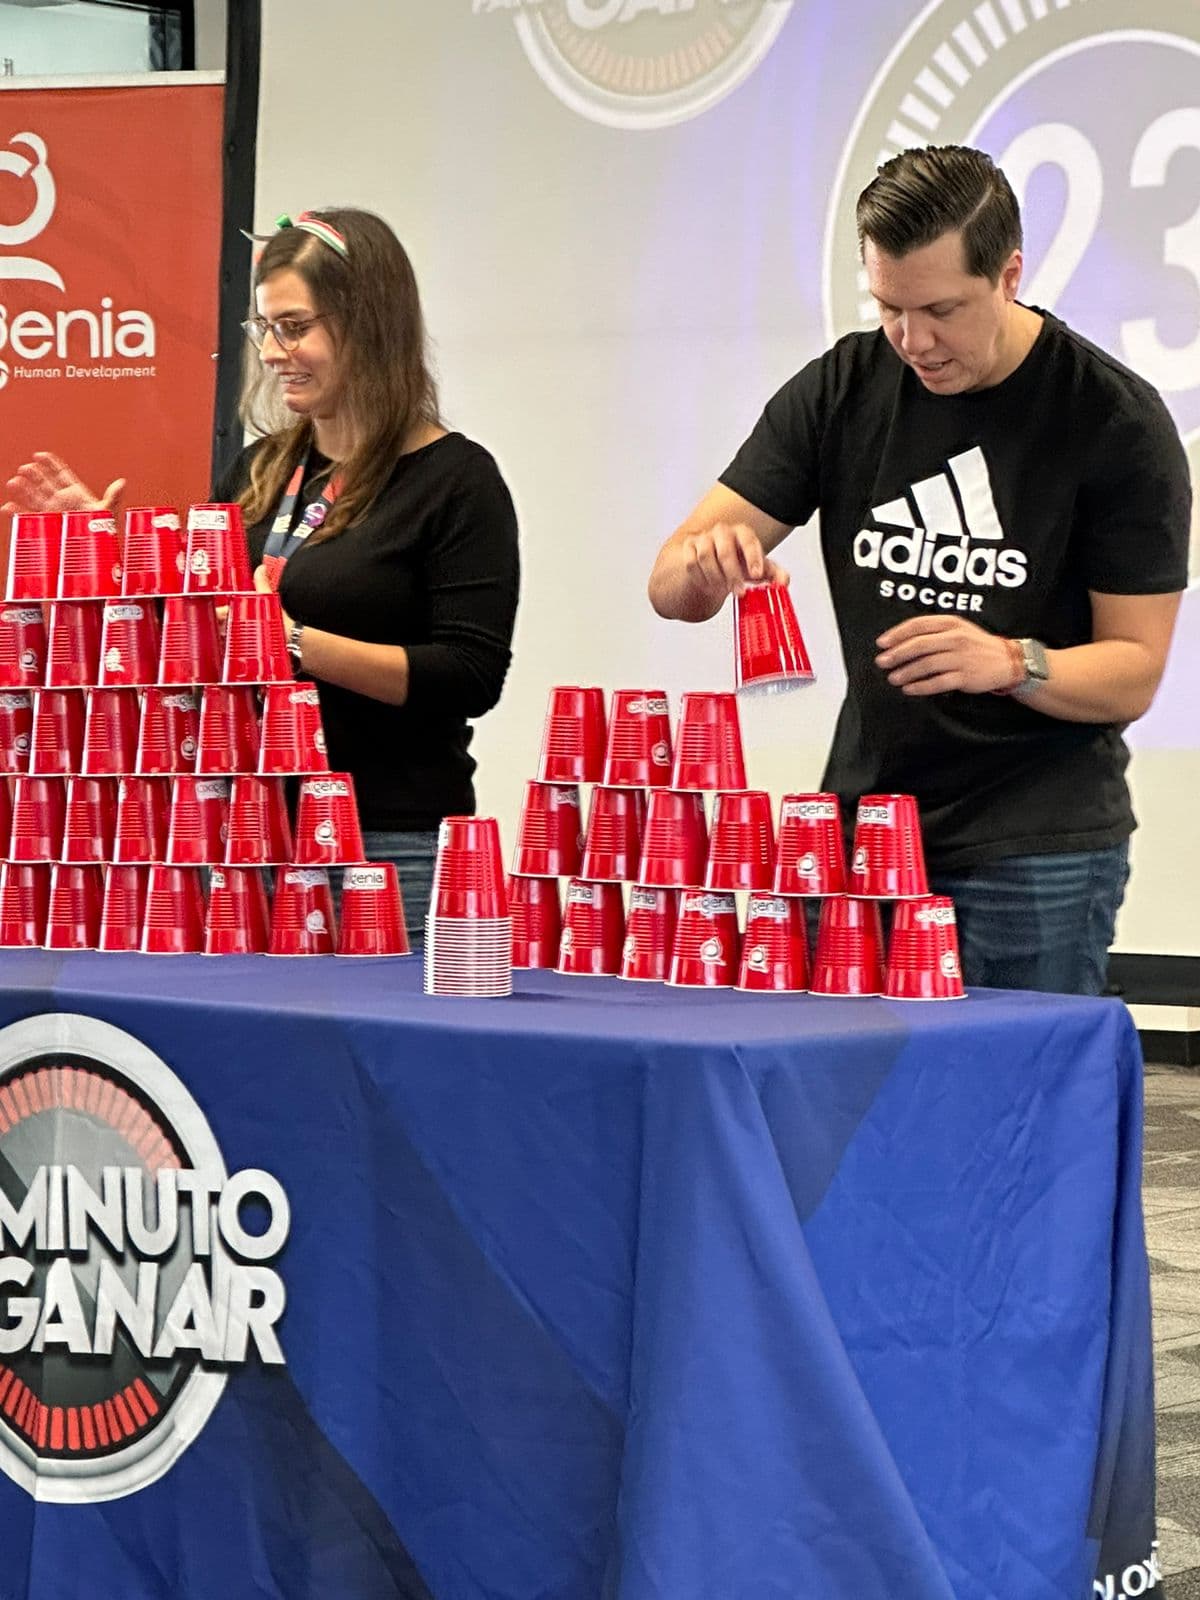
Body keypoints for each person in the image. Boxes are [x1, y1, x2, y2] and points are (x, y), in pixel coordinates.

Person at [648, 145, 1190, 995]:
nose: (913, 340)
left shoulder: (1110, 420)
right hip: (863, 828)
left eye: (942, 308)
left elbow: (1134, 673)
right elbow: (670, 587)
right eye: (889, 307)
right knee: (849, 1109)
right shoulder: (843, 388)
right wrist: (705, 568)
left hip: (1035, 846)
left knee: (1013, 1113)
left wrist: (1009, 663)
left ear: (1010, 274)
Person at [5, 208, 521, 944]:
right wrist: (125, 562)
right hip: (244, 843)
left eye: (296, 326)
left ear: (369, 324)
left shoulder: (456, 481)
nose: (276, 352)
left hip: (384, 851)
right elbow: (201, 647)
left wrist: (291, 642)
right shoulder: (259, 471)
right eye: (265, 329)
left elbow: (469, 675)